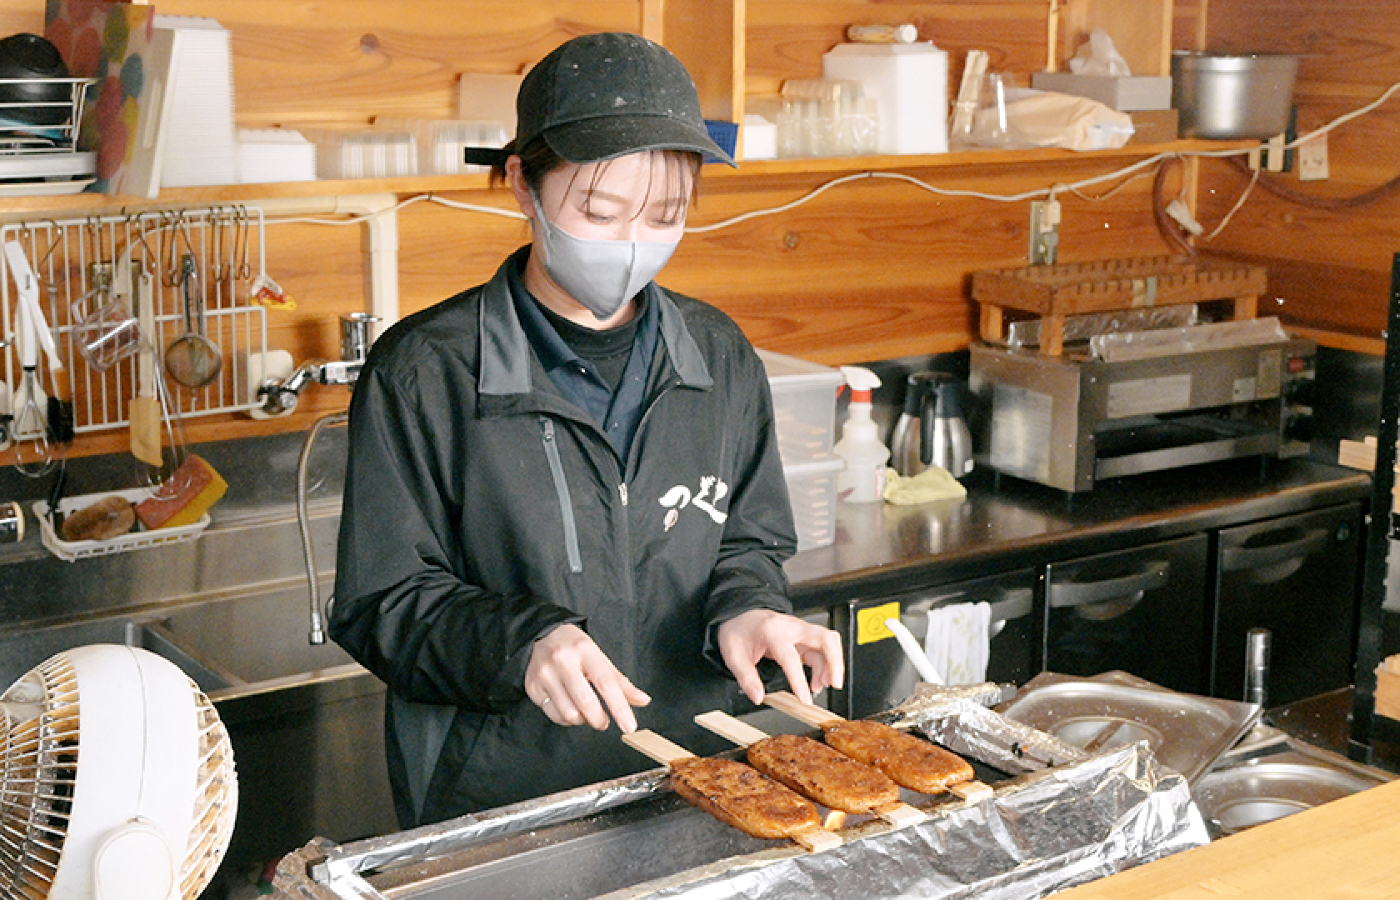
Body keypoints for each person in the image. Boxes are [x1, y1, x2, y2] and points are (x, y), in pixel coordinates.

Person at [330, 32, 845, 828]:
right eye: (600, 212)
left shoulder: (717, 357)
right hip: (500, 799)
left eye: (666, 213)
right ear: (522, 185)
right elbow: (384, 601)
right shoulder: (425, 372)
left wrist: (748, 609)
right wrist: (524, 643)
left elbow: (747, 541)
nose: (633, 242)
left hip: (694, 779)